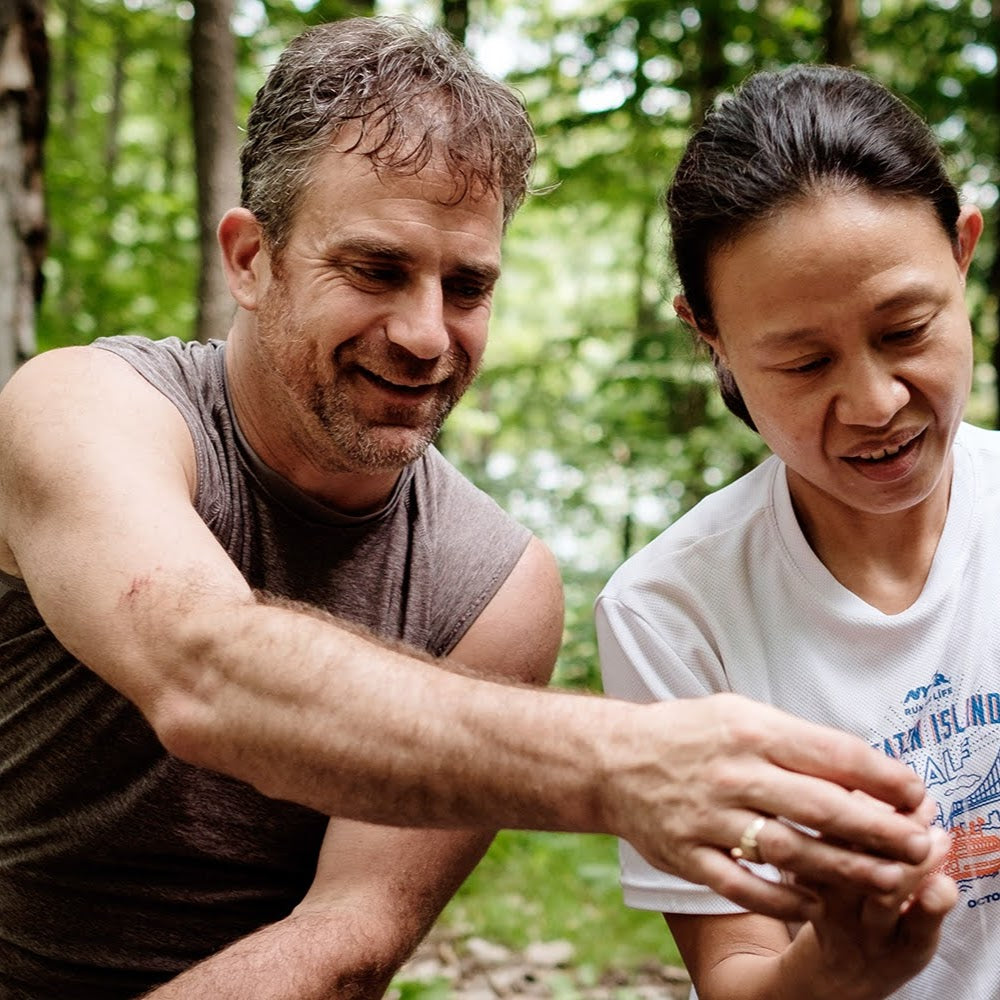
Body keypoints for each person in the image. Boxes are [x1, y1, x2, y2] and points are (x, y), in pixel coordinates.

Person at [0, 19, 937, 997]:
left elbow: (347, 938)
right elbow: (201, 662)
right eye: (375, 269)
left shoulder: (494, 582)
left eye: (467, 286)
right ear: (250, 259)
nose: (422, 333)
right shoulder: (87, 408)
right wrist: (624, 758)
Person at [597, 62, 997, 999]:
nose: (875, 402)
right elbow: (738, 974)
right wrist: (844, 963)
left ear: (963, 252)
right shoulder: (672, 611)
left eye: (906, 330)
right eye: (804, 361)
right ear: (711, 339)